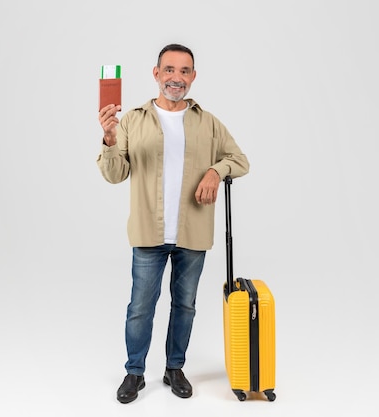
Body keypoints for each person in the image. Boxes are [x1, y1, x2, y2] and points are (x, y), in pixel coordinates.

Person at [96, 43, 250, 404]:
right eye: (169, 70)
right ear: (156, 74)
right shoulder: (132, 120)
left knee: (185, 305)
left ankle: (174, 368)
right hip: (149, 231)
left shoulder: (208, 122)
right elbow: (115, 174)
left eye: (184, 71)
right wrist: (108, 139)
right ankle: (134, 373)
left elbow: (240, 160)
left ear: (193, 77)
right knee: (140, 308)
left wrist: (215, 170)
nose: (176, 78)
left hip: (192, 232)